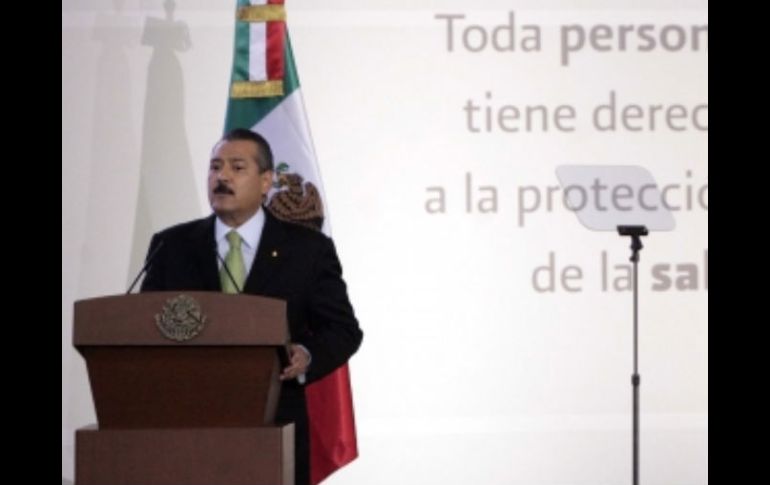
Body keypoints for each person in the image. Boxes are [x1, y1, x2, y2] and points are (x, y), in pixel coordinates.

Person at [140, 128, 363, 485]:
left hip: (275, 427)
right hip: (187, 431)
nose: (221, 176)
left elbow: (344, 331)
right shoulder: (172, 245)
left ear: (266, 181)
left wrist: (307, 354)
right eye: (215, 167)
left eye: (237, 167)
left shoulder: (307, 250)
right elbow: (141, 326)